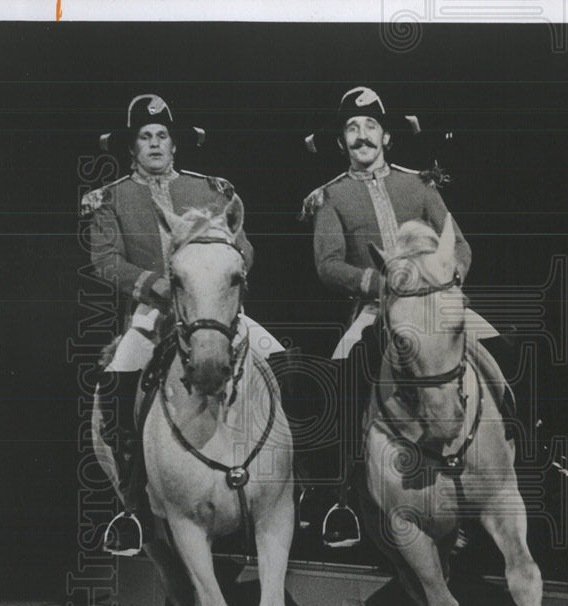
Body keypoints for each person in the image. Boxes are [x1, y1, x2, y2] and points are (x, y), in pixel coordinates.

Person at [81, 94, 284, 553]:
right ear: (131, 148)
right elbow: (105, 261)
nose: (154, 144)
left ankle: (299, 485)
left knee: (281, 362)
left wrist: (222, 271)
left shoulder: (212, 190)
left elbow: (244, 247)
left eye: (161, 136)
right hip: (153, 315)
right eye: (144, 138)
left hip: (211, 310)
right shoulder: (110, 199)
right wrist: (153, 284)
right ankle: (131, 505)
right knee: (117, 384)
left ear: (175, 145)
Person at [299, 86, 500, 546]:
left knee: (498, 355)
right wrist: (376, 284)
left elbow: (460, 244)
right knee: (345, 379)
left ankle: (525, 459)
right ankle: (344, 498)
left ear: (387, 137)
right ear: (341, 142)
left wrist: (447, 278)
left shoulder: (418, 185)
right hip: (374, 311)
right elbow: (328, 264)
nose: (361, 135)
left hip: (435, 301)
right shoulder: (330, 197)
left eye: (370, 126)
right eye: (352, 128)